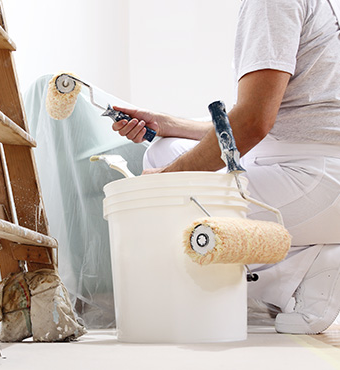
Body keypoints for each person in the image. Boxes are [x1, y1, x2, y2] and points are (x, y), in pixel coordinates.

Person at [111, 0, 340, 335]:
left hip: (314, 179)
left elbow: (251, 122)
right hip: (310, 169)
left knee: (168, 213)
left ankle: (305, 270)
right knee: (166, 149)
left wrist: (164, 183)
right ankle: (305, 256)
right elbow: (260, 121)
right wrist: (167, 123)